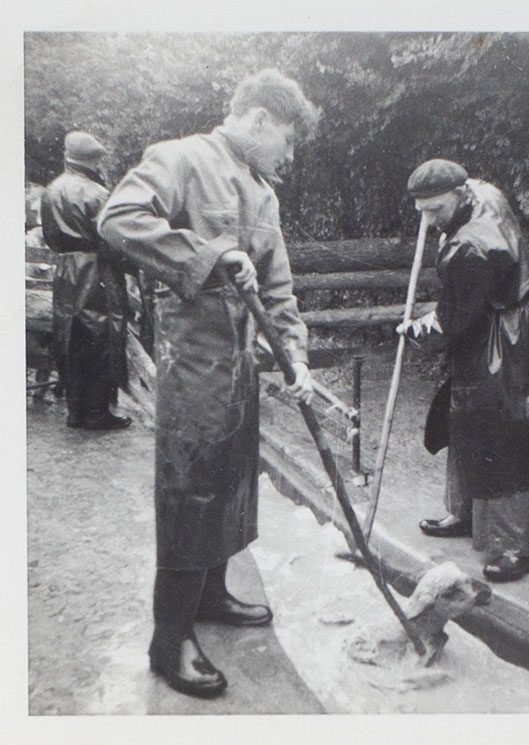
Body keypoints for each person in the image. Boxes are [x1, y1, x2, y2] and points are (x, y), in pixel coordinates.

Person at [98, 69, 319, 698]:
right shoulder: (181, 158)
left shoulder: (265, 196)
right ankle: (169, 639)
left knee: (231, 482)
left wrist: (296, 358)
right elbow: (118, 219)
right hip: (192, 363)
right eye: (287, 139)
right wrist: (207, 253)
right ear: (257, 120)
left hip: (243, 367)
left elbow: (278, 292)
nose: (289, 154)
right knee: (191, 489)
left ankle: (213, 593)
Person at [398, 159, 529, 583]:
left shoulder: (469, 247)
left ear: (459, 193)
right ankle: (466, 512)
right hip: (495, 325)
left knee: (502, 430)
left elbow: (453, 319)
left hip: (499, 339)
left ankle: (516, 547)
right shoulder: (482, 191)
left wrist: (415, 328)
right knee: (464, 421)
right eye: (422, 211)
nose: (429, 221)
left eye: (436, 210)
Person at [40, 131, 132, 430]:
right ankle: (97, 413)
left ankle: (75, 411)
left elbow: (49, 236)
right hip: (95, 269)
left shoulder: (51, 190)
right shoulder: (98, 194)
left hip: (65, 269)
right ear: (92, 160)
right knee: (100, 337)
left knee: (70, 337)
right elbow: (112, 239)